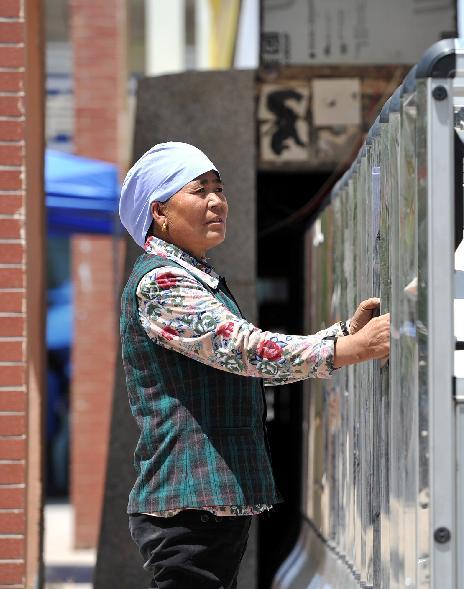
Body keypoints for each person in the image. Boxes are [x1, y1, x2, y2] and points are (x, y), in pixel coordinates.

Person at [117, 141, 390, 588]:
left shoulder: (195, 277)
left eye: (219, 189)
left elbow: (242, 348)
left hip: (208, 504)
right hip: (189, 505)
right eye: (198, 190)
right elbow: (243, 350)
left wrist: (340, 335)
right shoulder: (162, 282)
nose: (216, 201)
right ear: (159, 212)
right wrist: (348, 350)